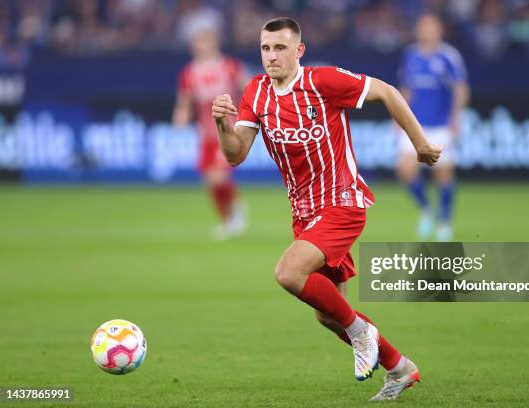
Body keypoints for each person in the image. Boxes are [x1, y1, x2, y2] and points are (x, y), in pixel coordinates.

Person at [211, 17, 442, 401]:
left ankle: (361, 334)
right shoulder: (256, 92)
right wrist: (223, 124)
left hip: (342, 201)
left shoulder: (323, 82)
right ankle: (401, 367)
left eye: (280, 48)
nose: (272, 56)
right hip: (304, 212)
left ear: (299, 50)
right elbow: (236, 156)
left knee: (288, 273)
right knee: (326, 313)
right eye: (266, 49)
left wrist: (420, 143)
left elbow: (387, 92)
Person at [396, 14, 469, 242]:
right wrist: (397, 117)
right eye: (423, 27)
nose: (426, 31)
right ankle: (428, 210)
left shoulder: (449, 56)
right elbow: (406, 89)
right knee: (405, 170)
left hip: (440, 125)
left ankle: (445, 223)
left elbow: (460, 89)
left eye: (431, 27)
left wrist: (456, 117)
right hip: (415, 125)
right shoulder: (411, 55)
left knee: (442, 174)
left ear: (439, 30)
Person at [173, 26, 249, 239]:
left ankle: (235, 213)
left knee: (217, 176)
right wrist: (180, 119)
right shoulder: (190, 72)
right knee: (210, 182)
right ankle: (228, 219)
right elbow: (185, 101)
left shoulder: (230, 66)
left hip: (227, 130)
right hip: (206, 134)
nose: (201, 47)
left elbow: (250, 89)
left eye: (205, 42)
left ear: (215, 43)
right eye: (198, 43)